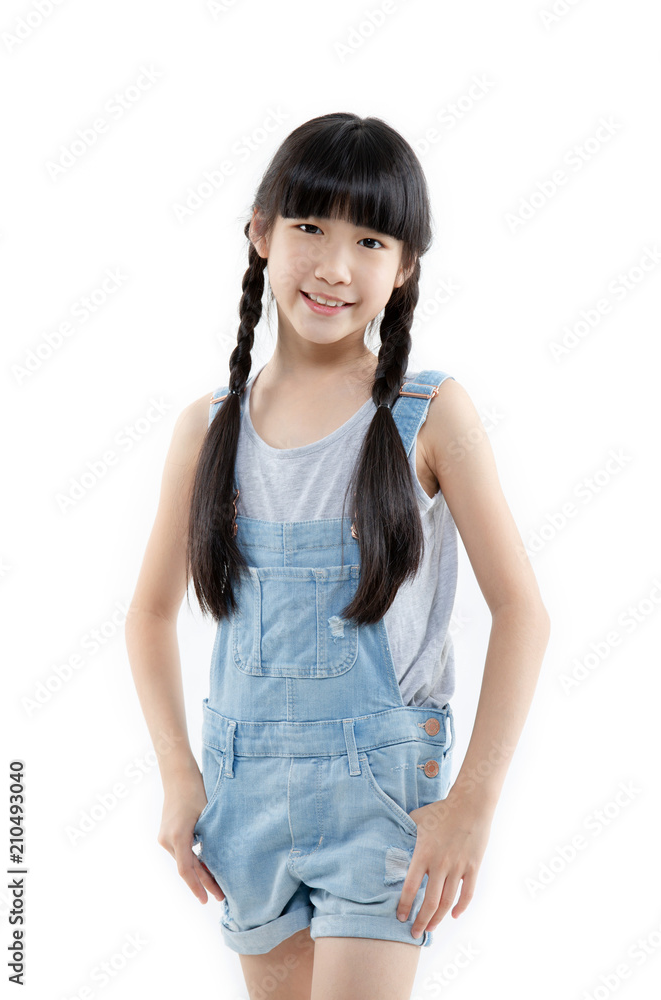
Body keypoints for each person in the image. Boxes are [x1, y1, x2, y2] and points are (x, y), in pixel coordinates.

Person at [125, 112, 551, 1000]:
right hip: (246, 795)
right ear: (259, 231)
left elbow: (522, 611)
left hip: (383, 797)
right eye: (309, 226)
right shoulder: (207, 429)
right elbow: (148, 614)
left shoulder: (429, 415)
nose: (334, 265)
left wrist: (471, 802)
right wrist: (176, 773)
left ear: (403, 270)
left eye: (370, 238)